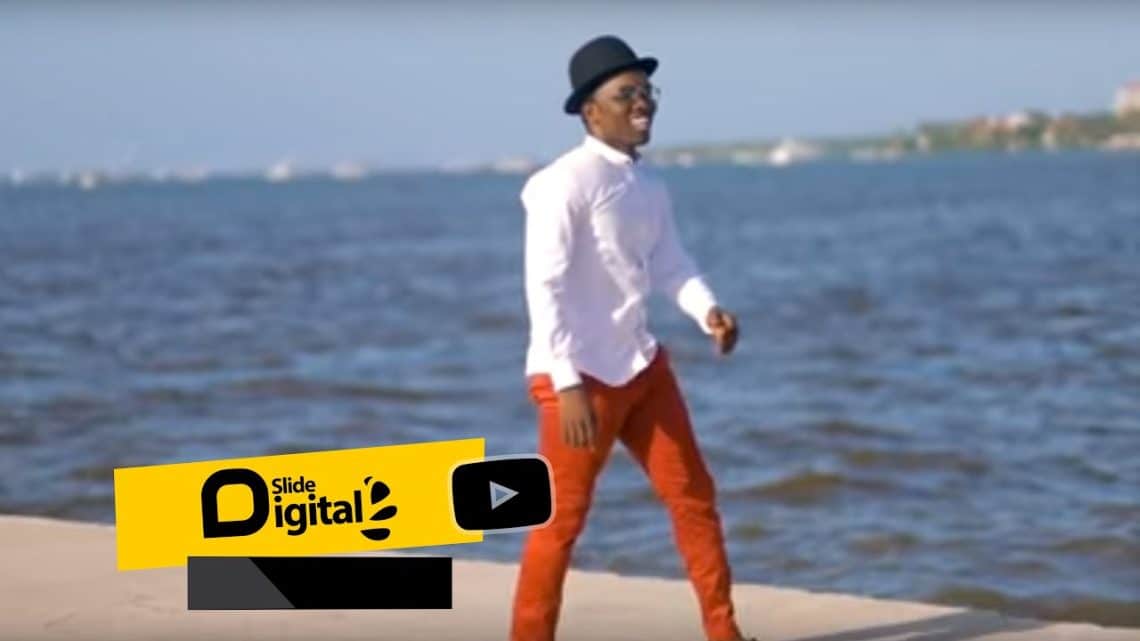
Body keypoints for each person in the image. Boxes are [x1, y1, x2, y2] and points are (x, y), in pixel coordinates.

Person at [510, 35, 754, 641]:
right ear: (591, 111)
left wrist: (707, 310)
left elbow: (670, 263)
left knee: (694, 495)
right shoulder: (563, 184)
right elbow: (545, 286)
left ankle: (724, 633)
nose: (642, 102)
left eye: (647, 91)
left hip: (640, 367)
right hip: (577, 379)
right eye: (626, 94)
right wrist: (566, 383)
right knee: (561, 522)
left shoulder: (649, 185)